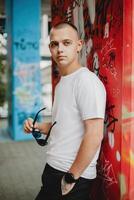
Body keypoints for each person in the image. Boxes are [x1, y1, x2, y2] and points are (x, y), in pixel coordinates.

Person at [23, 22, 106, 200]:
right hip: (53, 170)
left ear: (78, 46)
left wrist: (71, 177)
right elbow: (62, 125)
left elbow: (95, 133)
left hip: (71, 175)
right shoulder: (62, 83)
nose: (60, 49)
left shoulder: (85, 81)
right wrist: (37, 126)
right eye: (54, 44)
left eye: (66, 43)